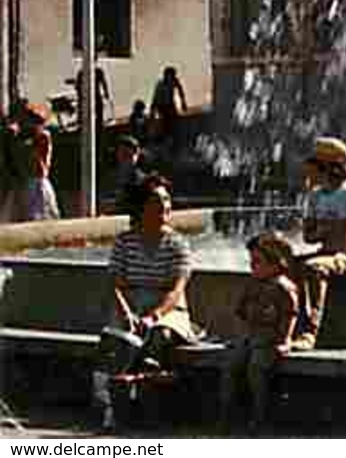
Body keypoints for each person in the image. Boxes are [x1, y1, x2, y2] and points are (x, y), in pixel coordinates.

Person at [90, 174, 197, 431]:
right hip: (130, 304)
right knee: (117, 340)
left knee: (158, 335)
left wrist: (154, 316)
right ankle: (111, 406)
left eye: (167, 200)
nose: (165, 207)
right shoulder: (125, 241)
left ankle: (139, 400)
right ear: (141, 207)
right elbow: (114, 283)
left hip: (167, 308)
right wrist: (126, 312)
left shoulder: (178, 243)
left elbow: (177, 289)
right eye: (157, 202)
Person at [292, 137, 346, 351]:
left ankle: (310, 332)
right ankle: (286, 327)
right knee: (286, 264)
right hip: (326, 252)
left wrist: (322, 229)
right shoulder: (314, 196)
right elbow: (308, 237)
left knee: (314, 268)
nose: (306, 172)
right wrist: (327, 228)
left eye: (311, 166)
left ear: (325, 168)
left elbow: (340, 240)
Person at [218, 231, 298, 432]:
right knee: (231, 365)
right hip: (250, 336)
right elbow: (240, 312)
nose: (252, 266)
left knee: (257, 368)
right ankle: (226, 412)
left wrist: (284, 341)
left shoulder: (283, 288)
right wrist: (240, 333)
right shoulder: (252, 284)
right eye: (251, 262)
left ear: (276, 264)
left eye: (258, 262)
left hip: (270, 339)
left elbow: (290, 315)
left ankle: (259, 414)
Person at [18, 102, 58, 221]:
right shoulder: (26, 138)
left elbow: (39, 160)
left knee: (45, 210)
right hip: (30, 179)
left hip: (39, 179)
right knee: (31, 211)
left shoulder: (43, 136)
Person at [111, 136, 148, 217]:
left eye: (131, 154)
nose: (128, 158)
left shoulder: (143, 181)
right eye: (124, 154)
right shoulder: (110, 178)